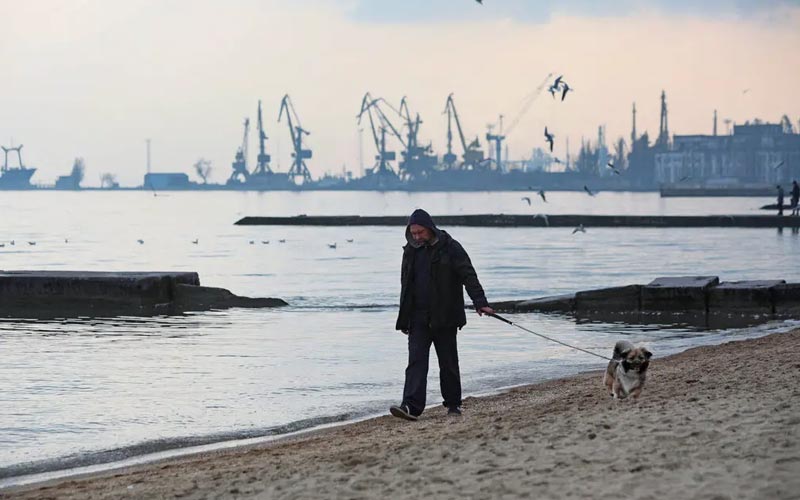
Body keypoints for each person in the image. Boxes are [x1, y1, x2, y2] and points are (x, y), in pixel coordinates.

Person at [390, 209, 494, 421]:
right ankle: (410, 407)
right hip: (417, 317)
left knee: (448, 363)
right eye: (413, 233)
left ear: (430, 228)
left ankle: (453, 405)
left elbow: (468, 274)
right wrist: (404, 318)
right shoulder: (410, 251)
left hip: (445, 316)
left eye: (420, 232)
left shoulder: (451, 247)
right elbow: (405, 286)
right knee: (416, 363)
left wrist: (480, 302)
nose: (417, 237)